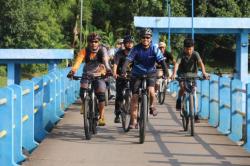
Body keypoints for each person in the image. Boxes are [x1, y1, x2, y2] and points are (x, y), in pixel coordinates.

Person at [122, 28, 168, 129]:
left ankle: (152, 106)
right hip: (136, 74)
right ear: (140, 39)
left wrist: (166, 73)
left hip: (151, 73)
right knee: (134, 98)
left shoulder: (155, 48)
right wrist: (123, 70)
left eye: (147, 37)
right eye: (143, 37)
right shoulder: (135, 49)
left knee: (151, 91)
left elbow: (162, 62)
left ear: (151, 38)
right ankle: (133, 120)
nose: (145, 39)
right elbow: (128, 61)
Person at [67, 32, 112, 126]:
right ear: (88, 42)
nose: (93, 43)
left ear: (99, 42)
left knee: (101, 95)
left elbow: (105, 61)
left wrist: (108, 69)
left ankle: (101, 116)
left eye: (96, 41)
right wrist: (73, 71)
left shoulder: (102, 50)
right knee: (82, 91)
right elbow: (78, 61)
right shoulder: (84, 51)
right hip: (87, 73)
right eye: (91, 41)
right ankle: (85, 103)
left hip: (100, 74)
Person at [170, 38, 208, 122]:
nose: (189, 51)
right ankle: (179, 99)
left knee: (194, 93)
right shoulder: (181, 54)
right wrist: (174, 73)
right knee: (183, 87)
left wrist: (204, 72)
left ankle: (196, 114)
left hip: (193, 76)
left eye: (190, 49)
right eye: (187, 49)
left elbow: (200, 63)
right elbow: (177, 64)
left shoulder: (195, 54)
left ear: (193, 48)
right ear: (184, 48)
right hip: (182, 75)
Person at [113, 35, 134, 123]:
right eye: (128, 43)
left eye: (131, 43)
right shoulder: (119, 53)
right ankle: (117, 114)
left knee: (136, 93)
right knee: (119, 95)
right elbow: (116, 64)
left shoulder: (134, 53)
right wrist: (114, 73)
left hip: (132, 75)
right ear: (124, 44)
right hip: (120, 75)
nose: (129, 45)